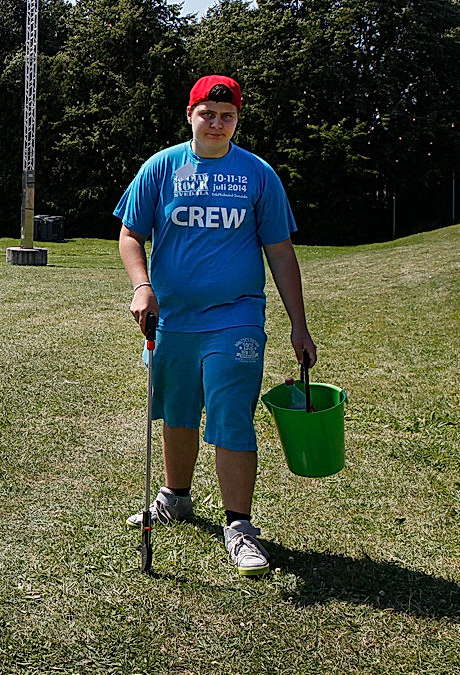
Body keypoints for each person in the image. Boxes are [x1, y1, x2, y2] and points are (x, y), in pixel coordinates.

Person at [114, 75, 316, 577]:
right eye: (208, 113)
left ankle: (240, 527)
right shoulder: (161, 168)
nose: (217, 123)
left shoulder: (257, 174)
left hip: (236, 317)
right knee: (178, 412)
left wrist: (299, 325)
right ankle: (175, 498)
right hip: (172, 321)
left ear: (237, 120)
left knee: (230, 413)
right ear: (191, 114)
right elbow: (130, 234)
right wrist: (142, 285)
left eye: (227, 116)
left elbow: (280, 253)